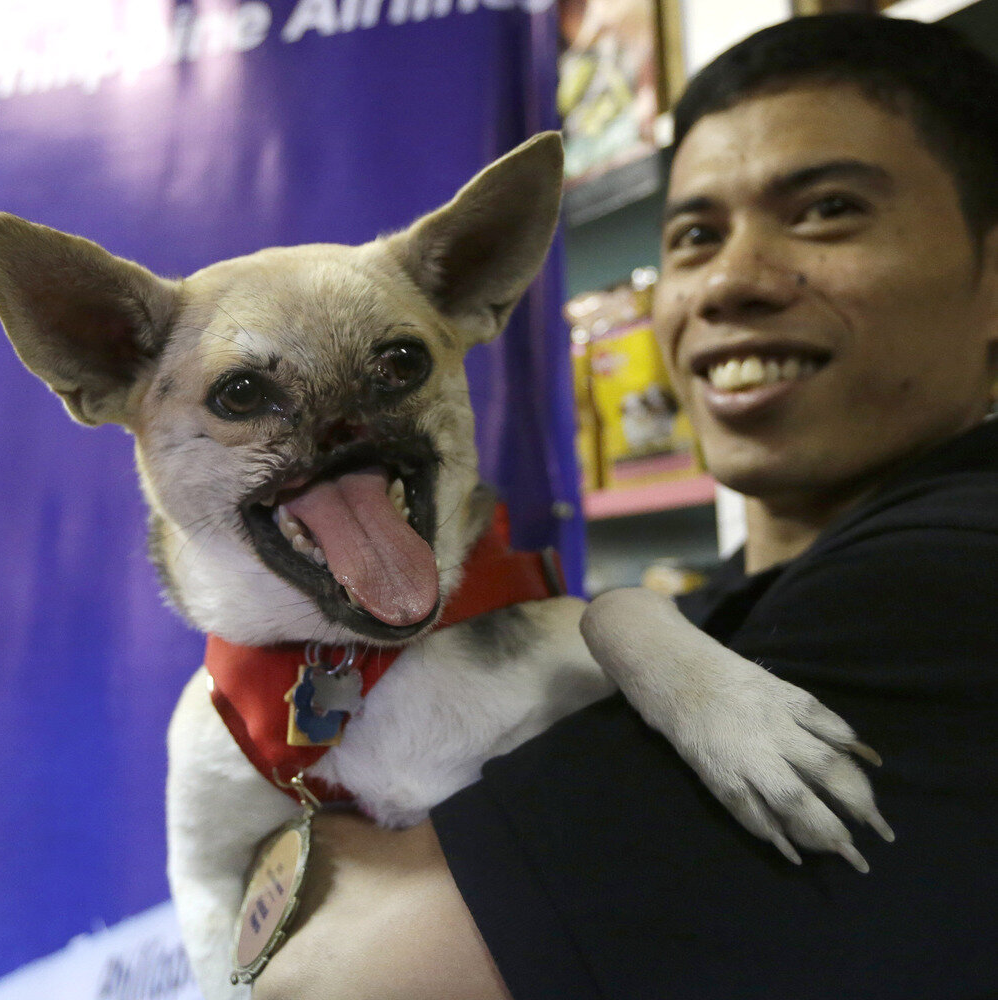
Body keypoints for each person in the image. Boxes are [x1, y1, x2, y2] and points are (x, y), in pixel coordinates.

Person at [255, 13, 998, 999]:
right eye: (692, 234)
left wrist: (283, 855)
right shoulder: (727, 610)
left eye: (824, 210)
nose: (727, 281)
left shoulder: (950, 579)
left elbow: (335, 981)